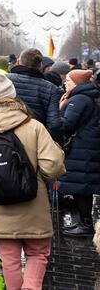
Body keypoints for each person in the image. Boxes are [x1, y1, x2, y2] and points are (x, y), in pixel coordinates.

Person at [0, 71, 65, 290]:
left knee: (8, 261)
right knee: (38, 254)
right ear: (14, 96)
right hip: (34, 203)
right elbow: (53, 165)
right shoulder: (34, 126)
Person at [58, 69, 100, 236]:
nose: (65, 82)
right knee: (83, 186)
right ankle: (84, 222)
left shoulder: (79, 99)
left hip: (81, 148)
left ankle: (85, 224)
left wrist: (54, 119)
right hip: (85, 146)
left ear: (76, 83)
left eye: (68, 80)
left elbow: (67, 124)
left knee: (82, 187)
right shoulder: (86, 96)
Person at [7, 49, 64, 144]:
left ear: (18, 62)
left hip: (5, 140)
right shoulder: (51, 88)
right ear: (40, 66)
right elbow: (54, 125)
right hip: (35, 141)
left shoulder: (4, 80)